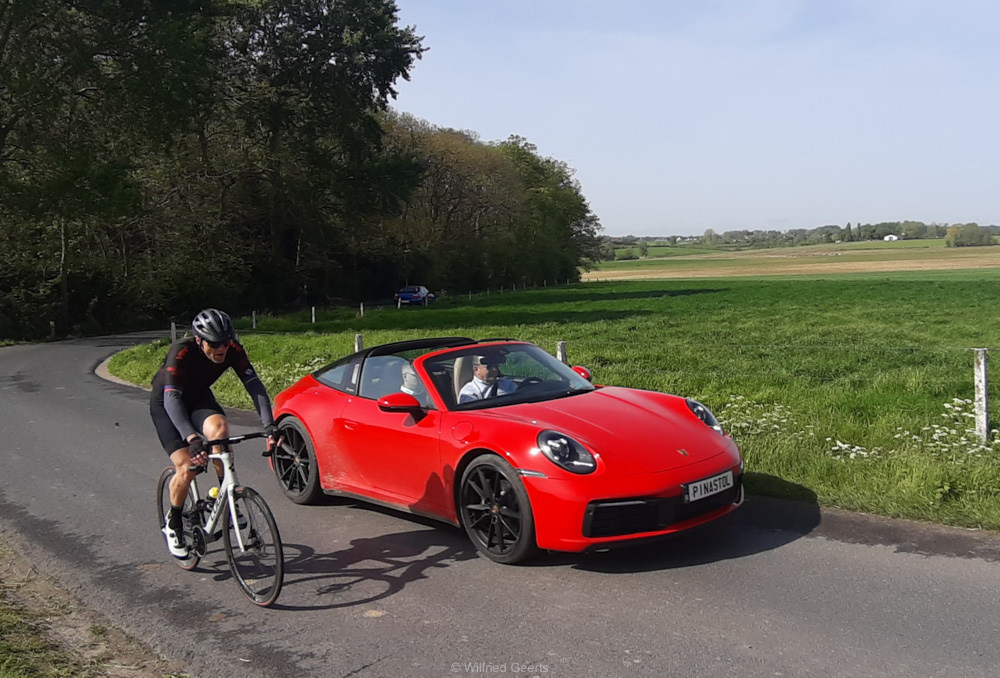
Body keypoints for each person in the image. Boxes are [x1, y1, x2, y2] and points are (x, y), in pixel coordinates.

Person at [150, 308, 278, 558]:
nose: (222, 348)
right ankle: (173, 523)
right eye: (215, 343)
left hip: (198, 398)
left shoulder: (234, 350)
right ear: (199, 340)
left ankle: (226, 497)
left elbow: (255, 386)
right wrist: (192, 438)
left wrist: (269, 425)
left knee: (220, 429)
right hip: (168, 404)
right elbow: (172, 399)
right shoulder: (182, 352)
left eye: (226, 342)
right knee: (187, 466)